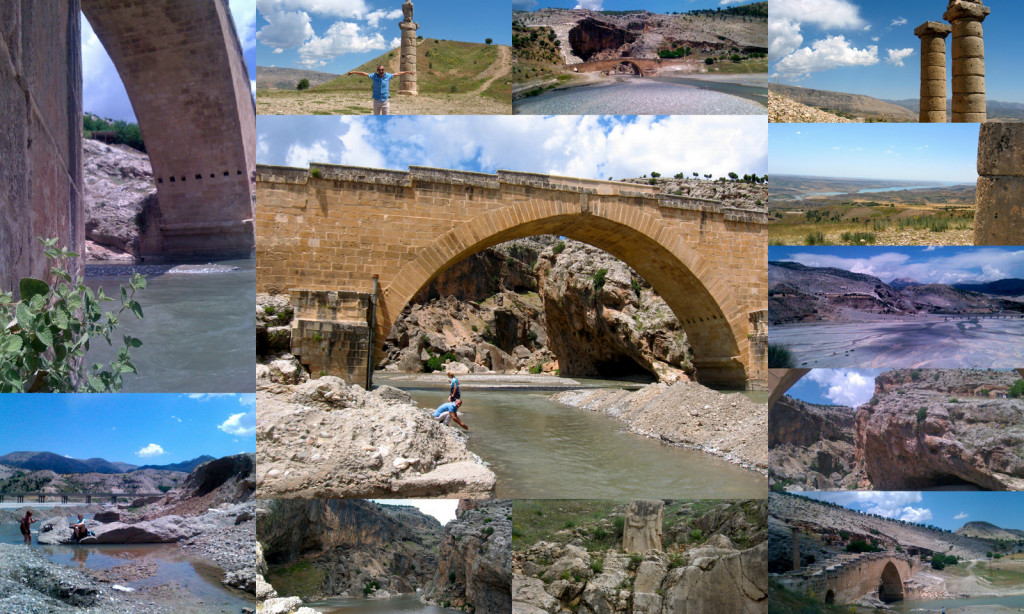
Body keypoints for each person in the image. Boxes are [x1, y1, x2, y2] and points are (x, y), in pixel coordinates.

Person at [346, 65, 414, 115]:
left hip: (385, 101)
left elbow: (397, 74)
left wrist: (407, 72)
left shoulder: (388, 76)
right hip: (376, 100)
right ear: (377, 71)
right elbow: (364, 74)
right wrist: (354, 72)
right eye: (379, 70)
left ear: (384, 70)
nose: (381, 71)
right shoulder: (374, 76)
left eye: (382, 70)